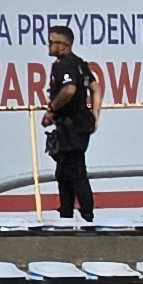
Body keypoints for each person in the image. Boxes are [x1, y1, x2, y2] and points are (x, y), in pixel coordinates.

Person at [40, 24, 98, 222]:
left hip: (71, 125)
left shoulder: (63, 65)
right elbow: (95, 87)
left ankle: (87, 215)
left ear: (63, 45)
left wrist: (52, 110)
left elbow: (69, 89)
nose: (48, 46)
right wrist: (95, 114)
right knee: (64, 171)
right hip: (78, 124)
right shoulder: (80, 63)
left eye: (52, 42)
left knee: (75, 170)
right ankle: (66, 212)